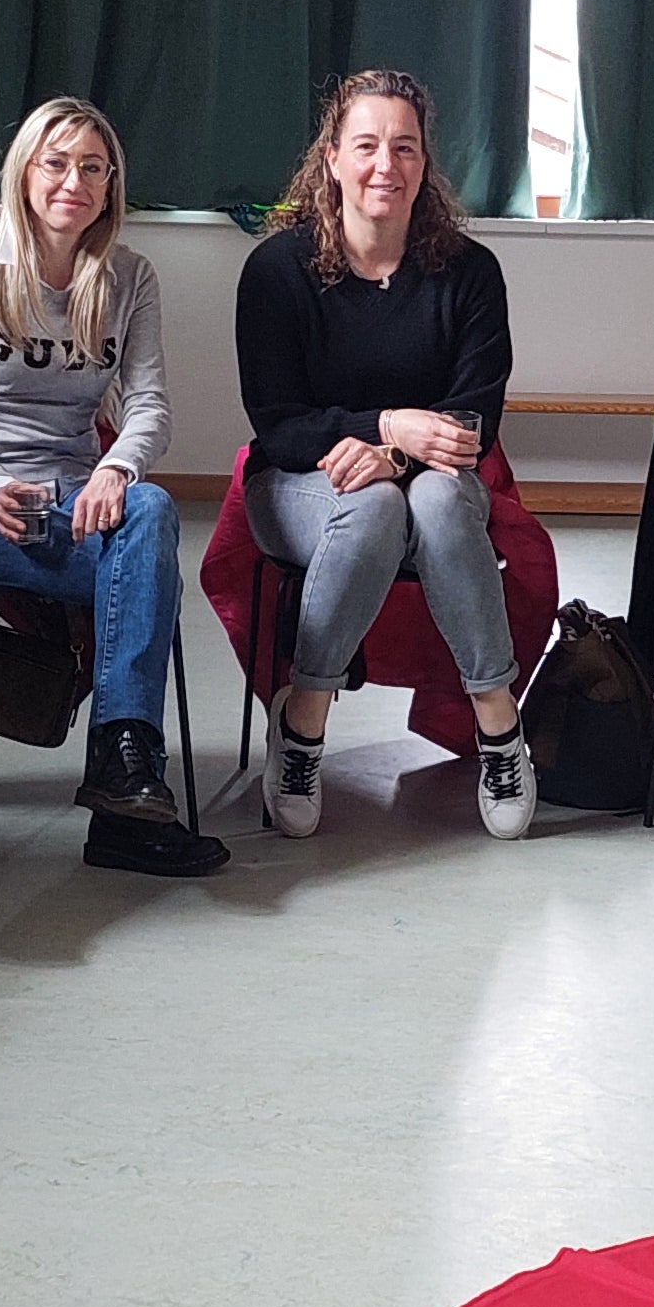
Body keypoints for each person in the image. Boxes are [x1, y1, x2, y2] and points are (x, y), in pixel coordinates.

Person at [0, 95, 225, 878]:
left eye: (93, 167)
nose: (73, 180)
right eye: (56, 162)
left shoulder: (129, 280)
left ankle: (122, 771)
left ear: (111, 186)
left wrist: (115, 467)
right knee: (143, 553)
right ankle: (125, 793)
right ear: (25, 172)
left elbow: (147, 403)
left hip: (80, 497)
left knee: (143, 508)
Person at [234, 67, 530, 841]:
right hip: (298, 486)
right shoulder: (276, 271)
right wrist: (388, 425)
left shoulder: (470, 274)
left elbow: (473, 424)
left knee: (424, 498)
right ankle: (303, 721)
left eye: (404, 148)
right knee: (368, 511)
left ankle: (499, 726)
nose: (384, 166)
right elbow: (279, 426)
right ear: (331, 157)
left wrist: (395, 454)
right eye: (366, 145)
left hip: (429, 481)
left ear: (425, 164)